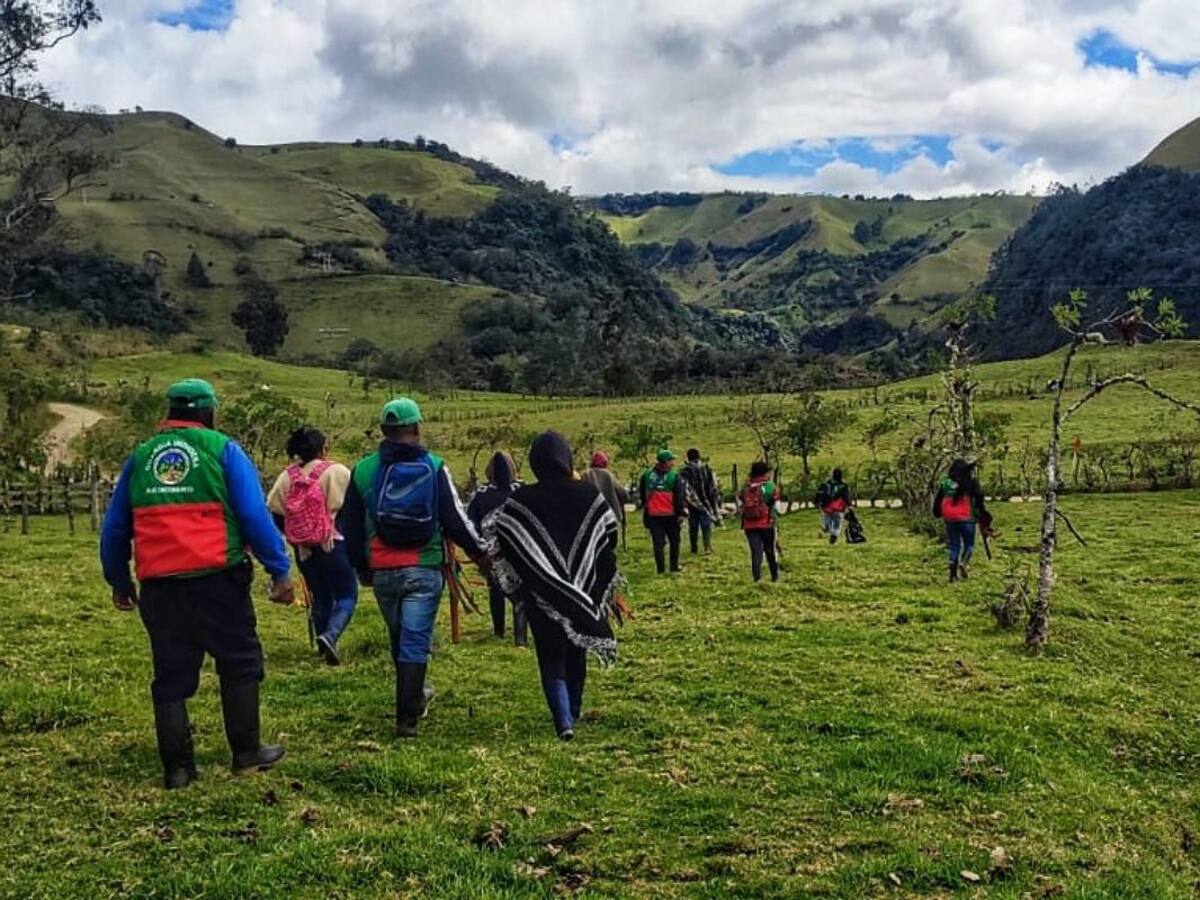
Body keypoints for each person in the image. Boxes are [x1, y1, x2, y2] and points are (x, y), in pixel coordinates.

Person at [100, 378, 295, 789]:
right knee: (240, 664)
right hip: (218, 579)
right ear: (209, 413)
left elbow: (116, 526)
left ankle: (178, 771)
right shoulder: (222, 449)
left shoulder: (140, 458)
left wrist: (119, 579)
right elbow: (253, 517)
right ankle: (245, 756)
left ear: (169, 414)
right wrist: (279, 570)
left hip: (160, 585)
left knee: (171, 677)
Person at [341, 397, 487, 738]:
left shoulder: (362, 470)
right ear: (418, 428)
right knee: (415, 640)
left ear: (383, 431)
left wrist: (361, 567)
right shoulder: (435, 466)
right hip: (423, 566)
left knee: (399, 637)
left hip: (383, 570)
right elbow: (455, 519)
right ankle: (407, 717)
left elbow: (350, 525)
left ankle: (414, 696)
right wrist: (481, 555)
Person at [490, 432, 621, 740]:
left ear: (535, 462)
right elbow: (609, 536)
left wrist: (533, 576)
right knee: (577, 649)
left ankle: (563, 721)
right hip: (584, 590)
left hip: (541, 594)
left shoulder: (520, 501)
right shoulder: (587, 495)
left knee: (550, 655)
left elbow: (504, 543)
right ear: (567, 459)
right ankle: (574, 709)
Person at [267, 426, 356, 666]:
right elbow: (353, 509)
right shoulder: (337, 471)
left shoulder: (287, 477)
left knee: (319, 596)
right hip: (333, 544)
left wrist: (294, 535)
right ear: (322, 448)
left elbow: (275, 510)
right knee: (347, 595)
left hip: (304, 550)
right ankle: (331, 635)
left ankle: (321, 645)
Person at [467, 451, 526, 646]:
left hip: (491, 554)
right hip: (519, 552)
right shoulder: (522, 490)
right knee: (520, 596)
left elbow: (470, 525)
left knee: (496, 591)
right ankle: (520, 639)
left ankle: (499, 631)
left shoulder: (480, 495)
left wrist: (478, 553)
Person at [932, 458, 990, 582]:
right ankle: (964, 563)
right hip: (966, 518)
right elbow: (979, 498)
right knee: (969, 545)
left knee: (954, 545)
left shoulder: (946, 483)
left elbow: (938, 501)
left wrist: (937, 513)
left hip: (949, 518)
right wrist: (982, 513)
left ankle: (952, 574)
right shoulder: (971, 483)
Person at [640, 449, 685, 574]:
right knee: (675, 541)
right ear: (666, 462)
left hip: (653, 515)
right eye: (671, 460)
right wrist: (681, 513)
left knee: (658, 544)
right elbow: (679, 497)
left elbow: (642, 494)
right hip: (670, 515)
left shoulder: (647, 475)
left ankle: (660, 569)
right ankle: (674, 567)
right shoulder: (674, 476)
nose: (673, 463)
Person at [740, 461, 781, 582]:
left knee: (755, 552)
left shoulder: (746, 487)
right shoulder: (770, 486)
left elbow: (740, 504)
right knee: (769, 550)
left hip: (749, 525)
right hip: (767, 523)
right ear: (766, 472)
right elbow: (778, 508)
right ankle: (774, 576)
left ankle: (757, 578)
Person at [679, 448, 721, 556]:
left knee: (693, 526)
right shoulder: (706, 468)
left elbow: (683, 488)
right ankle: (707, 547)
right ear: (699, 456)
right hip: (706, 501)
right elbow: (714, 486)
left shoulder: (684, 471)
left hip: (691, 503)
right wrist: (715, 500)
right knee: (706, 525)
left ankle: (694, 548)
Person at [581, 451, 629, 527]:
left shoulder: (586, 475)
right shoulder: (608, 475)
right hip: (611, 516)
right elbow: (622, 493)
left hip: (593, 517)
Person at [815, 468, 852, 545]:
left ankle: (825, 529)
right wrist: (849, 505)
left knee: (827, 521)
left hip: (827, 507)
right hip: (839, 507)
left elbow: (819, 494)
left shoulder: (826, 484)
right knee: (837, 524)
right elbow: (846, 497)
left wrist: (817, 502)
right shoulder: (843, 485)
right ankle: (834, 535)